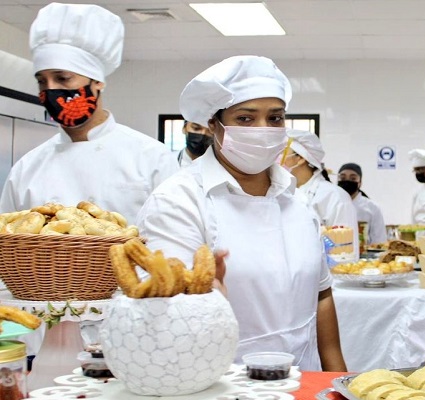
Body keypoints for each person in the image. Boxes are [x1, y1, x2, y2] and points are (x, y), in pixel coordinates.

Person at [136, 55, 347, 372]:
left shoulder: (297, 200)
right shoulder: (178, 201)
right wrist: (205, 297)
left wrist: (336, 379)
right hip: (218, 384)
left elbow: (322, 294)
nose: (263, 130)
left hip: (303, 381)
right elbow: (163, 317)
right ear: (213, 124)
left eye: (275, 119)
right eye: (246, 119)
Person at [0, 3, 179, 224]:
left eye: (63, 78)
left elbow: (175, 239)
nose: (50, 90)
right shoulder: (27, 169)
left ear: (97, 82)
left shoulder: (151, 158)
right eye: (41, 81)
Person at [281, 129, 359, 257]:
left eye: (282, 153)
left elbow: (346, 254)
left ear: (300, 158)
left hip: (326, 275)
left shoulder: (335, 197)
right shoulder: (281, 194)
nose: (276, 159)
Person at [337, 163, 387, 244]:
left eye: (353, 178)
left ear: (360, 182)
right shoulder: (332, 205)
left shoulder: (372, 208)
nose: (347, 181)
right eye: (343, 178)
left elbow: (379, 240)